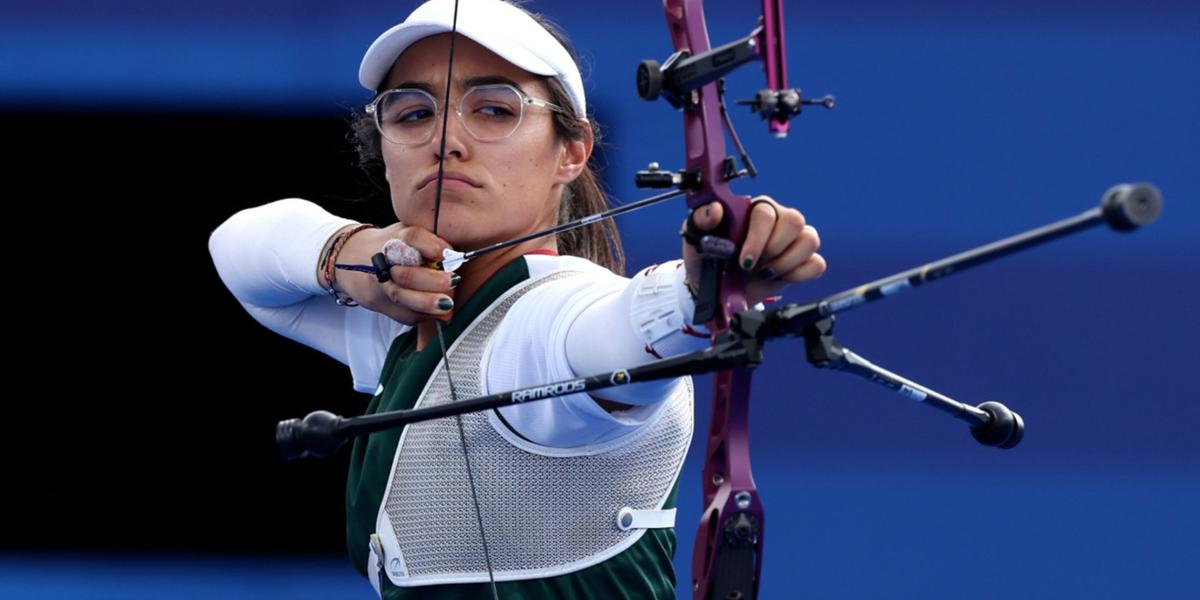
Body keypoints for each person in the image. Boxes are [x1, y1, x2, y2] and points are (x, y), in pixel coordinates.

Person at [208, 0, 824, 598]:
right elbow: (237, 247)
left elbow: (612, 332)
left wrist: (697, 289)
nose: (445, 140)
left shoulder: (549, 314)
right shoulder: (396, 321)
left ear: (572, 151)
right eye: (412, 114)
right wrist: (350, 257)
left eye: (495, 110)